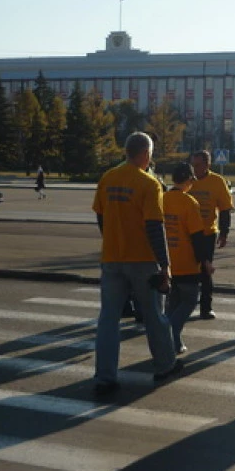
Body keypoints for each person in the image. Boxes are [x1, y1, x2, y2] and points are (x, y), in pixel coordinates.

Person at [91, 131, 182, 396]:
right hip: (142, 260)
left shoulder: (108, 178)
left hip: (112, 259)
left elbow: (101, 218)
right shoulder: (149, 183)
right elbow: (155, 227)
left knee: (108, 318)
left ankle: (105, 376)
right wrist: (164, 265)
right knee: (154, 315)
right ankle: (165, 365)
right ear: (145, 154)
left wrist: (110, 242)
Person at [164, 162, 214, 353]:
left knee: (173, 302)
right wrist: (205, 261)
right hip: (186, 262)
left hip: (167, 260)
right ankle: (170, 333)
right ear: (189, 180)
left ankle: (173, 343)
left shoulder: (162, 198)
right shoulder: (190, 203)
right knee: (190, 301)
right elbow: (197, 236)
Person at [189, 149, 234, 319]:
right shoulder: (188, 180)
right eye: (193, 165)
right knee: (186, 269)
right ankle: (183, 302)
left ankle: (206, 307)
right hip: (187, 233)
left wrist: (224, 233)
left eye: (198, 165)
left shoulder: (217, 182)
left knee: (205, 270)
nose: (195, 169)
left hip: (207, 233)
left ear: (207, 165)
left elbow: (225, 209)